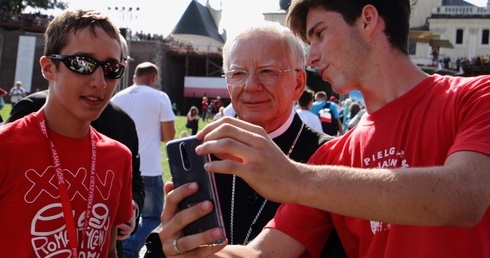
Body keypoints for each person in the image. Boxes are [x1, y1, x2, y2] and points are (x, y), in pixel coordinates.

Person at [157, 0, 490, 257]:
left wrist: (293, 178)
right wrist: (190, 251)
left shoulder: (476, 97)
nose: (312, 57)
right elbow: (261, 252)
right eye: (238, 74)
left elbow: (464, 197)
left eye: (318, 34)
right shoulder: (332, 155)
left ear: (368, 19)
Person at [147, 21, 346, 257]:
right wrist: (165, 244)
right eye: (238, 74)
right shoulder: (204, 154)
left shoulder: (330, 156)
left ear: (298, 84)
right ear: (228, 86)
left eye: (267, 71)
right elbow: (174, 239)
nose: (251, 86)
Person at [0, 9, 133, 257]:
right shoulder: (6, 147)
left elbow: (110, 249)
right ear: (49, 68)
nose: (100, 82)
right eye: (83, 64)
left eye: (112, 68)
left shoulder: (118, 157)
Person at [111, 61, 176, 258]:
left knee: (119, 218)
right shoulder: (159, 97)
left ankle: (122, 249)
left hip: (118, 168)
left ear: (134, 77)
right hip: (148, 168)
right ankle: (131, 248)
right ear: (154, 78)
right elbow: (169, 136)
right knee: (152, 217)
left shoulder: (117, 97)